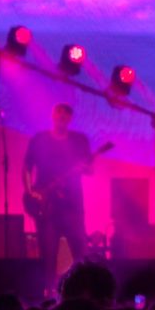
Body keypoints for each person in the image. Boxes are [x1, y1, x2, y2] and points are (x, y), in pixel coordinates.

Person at [23, 103, 96, 290]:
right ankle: (48, 292)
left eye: (66, 115)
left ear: (70, 119)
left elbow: (90, 169)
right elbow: (26, 167)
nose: (61, 117)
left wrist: (85, 168)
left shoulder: (79, 141)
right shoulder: (39, 140)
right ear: (53, 115)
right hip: (46, 206)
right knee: (47, 252)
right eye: (59, 113)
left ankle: (84, 290)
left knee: (80, 249)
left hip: (72, 204)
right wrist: (30, 192)